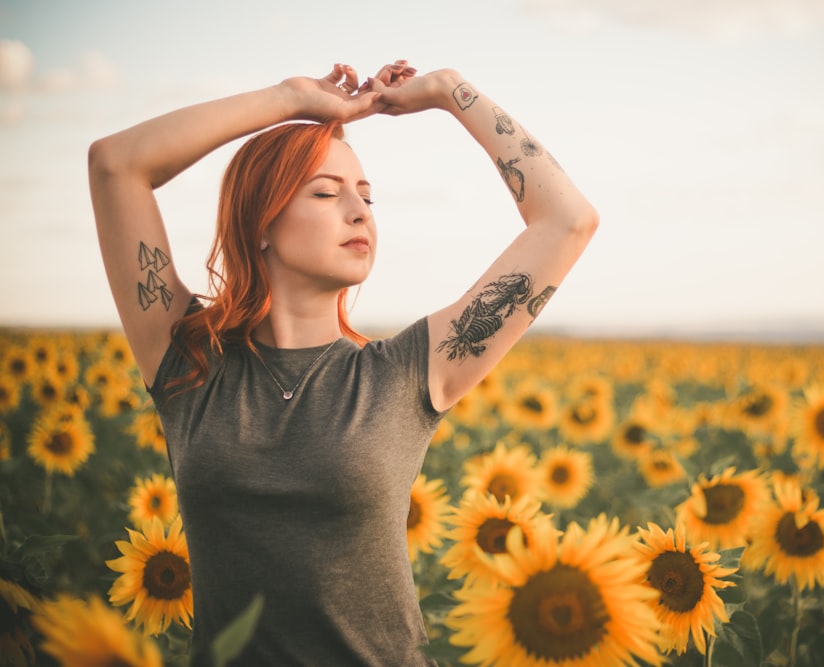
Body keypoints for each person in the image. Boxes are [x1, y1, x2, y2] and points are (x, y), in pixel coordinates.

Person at [88, 58, 599, 665]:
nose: (360, 212)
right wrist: (289, 99)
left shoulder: (408, 371)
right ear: (261, 224)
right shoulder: (188, 363)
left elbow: (568, 221)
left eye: (367, 197)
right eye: (326, 193)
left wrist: (448, 91)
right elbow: (115, 165)